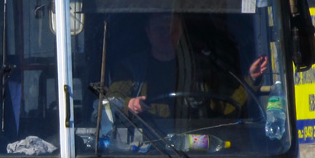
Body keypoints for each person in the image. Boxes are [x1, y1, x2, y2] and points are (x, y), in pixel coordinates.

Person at [105, 12, 267, 125]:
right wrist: (130, 104)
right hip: (148, 148)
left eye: (172, 30)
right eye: (160, 29)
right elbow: (110, 102)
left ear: (181, 32)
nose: (167, 35)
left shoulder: (201, 65)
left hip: (196, 147)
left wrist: (251, 79)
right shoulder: (131, 68)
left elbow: (226, 106)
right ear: (148, 32)